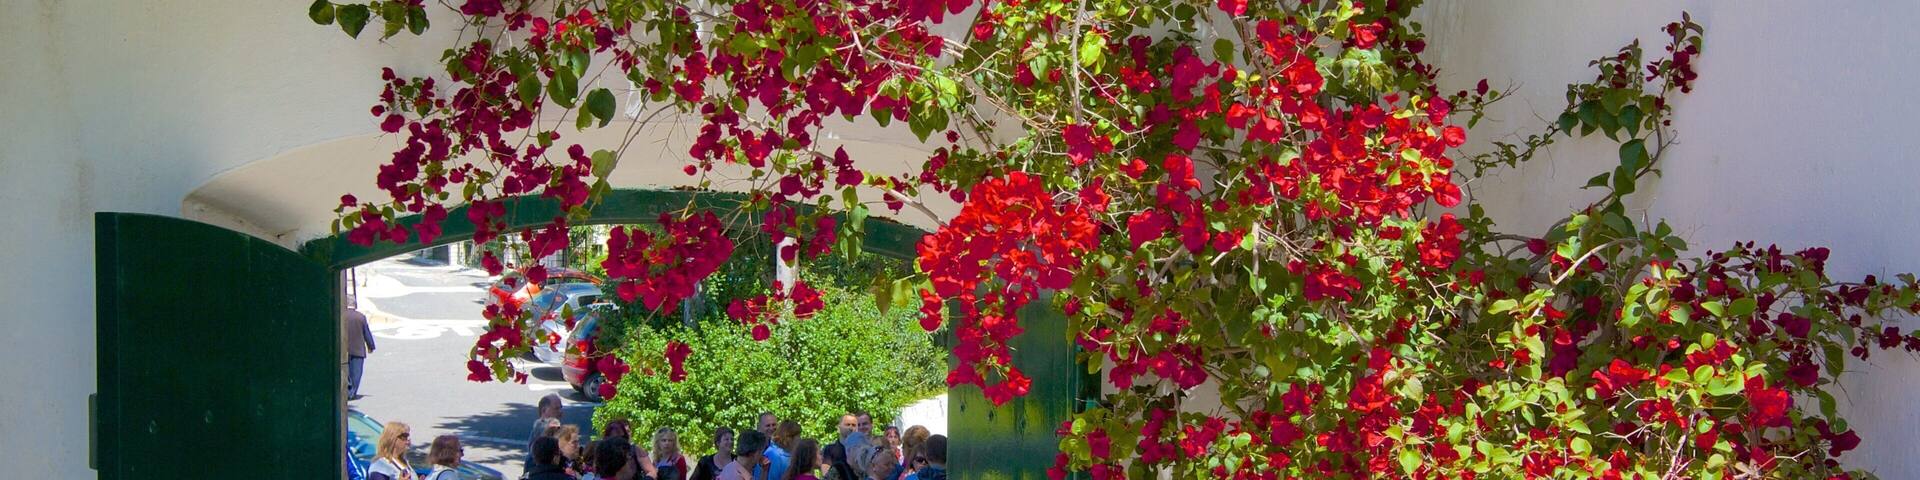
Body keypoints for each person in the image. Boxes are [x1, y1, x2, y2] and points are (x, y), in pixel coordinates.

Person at [344, 303, 376, 400]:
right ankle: (352, 393)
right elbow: (366, 333)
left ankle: (347, 391)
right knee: (356, 373)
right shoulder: (361, 317)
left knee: (346, 371)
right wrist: (371, 346)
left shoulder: (342, 315)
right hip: (358, 349)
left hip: (344, 349)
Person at [528, 394, 566, 469]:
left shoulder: (538, 429)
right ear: (544, 410)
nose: (560, 412)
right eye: (556, 408)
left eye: (560, 408)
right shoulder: (545, 433)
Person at [754, 413, 791, 480]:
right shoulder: (752, 447)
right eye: (768, 425)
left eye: (774, 425)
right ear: (758, 427)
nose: (771, 428)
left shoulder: (781, 448)